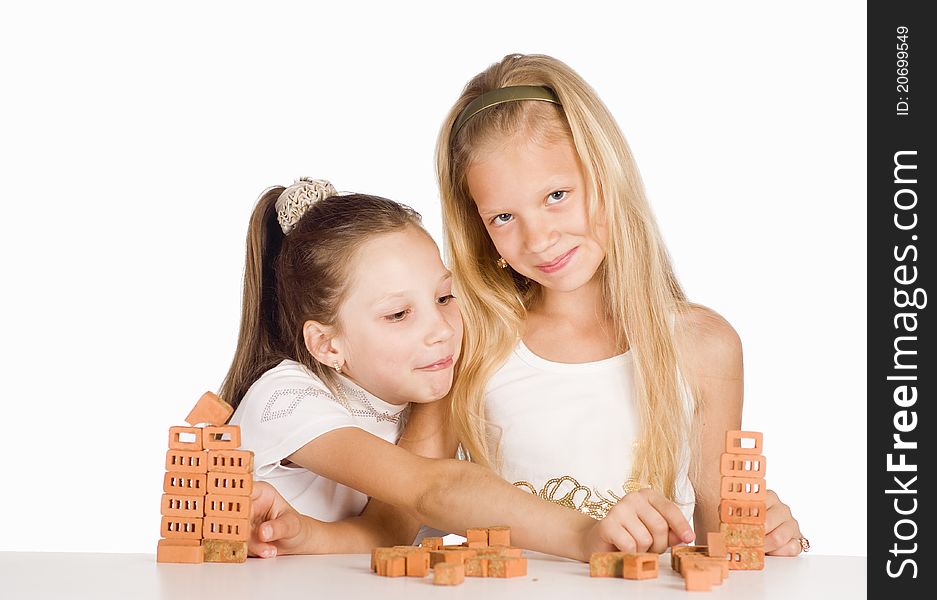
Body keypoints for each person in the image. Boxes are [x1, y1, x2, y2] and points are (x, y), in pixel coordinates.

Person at [249, 52, 806, 559]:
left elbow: (719, 536)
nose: (539, 239)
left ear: (606, 174)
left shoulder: (705, 345)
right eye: (504, 217)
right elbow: (413, 499)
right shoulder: (470, 339)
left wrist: (767, 533)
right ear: (479, 226)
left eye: (556, 196)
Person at [225, 177, 696, 560]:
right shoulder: (285, 400)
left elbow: (383, 532)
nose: (442, 330)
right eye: (398, 315)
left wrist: (305, 536)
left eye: (445, 298)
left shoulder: (417, 393)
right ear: (326, 344)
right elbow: (433, 490)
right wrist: (584, 536)